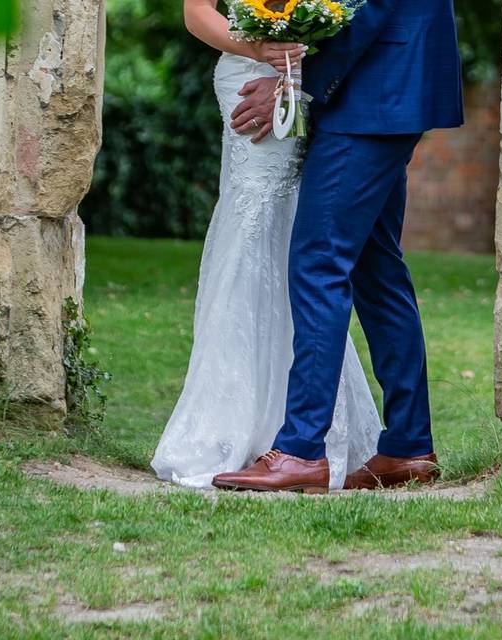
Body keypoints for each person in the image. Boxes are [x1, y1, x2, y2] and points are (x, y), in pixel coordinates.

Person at [211, 0, 465, 493]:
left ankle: (301, 450)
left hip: (372, 93)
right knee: (377, 270)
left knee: (317, 264)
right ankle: (409, 446)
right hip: (386, 89)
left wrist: (294, 81)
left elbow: (368, 8)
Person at [150, 0, 383, 492]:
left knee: (301, 236)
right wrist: (257, 45)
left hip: (305, 76)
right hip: (245, 70)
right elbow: (196, 12)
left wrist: (302, 54)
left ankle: (298, 431)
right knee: (249, 223)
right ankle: (231, 425)